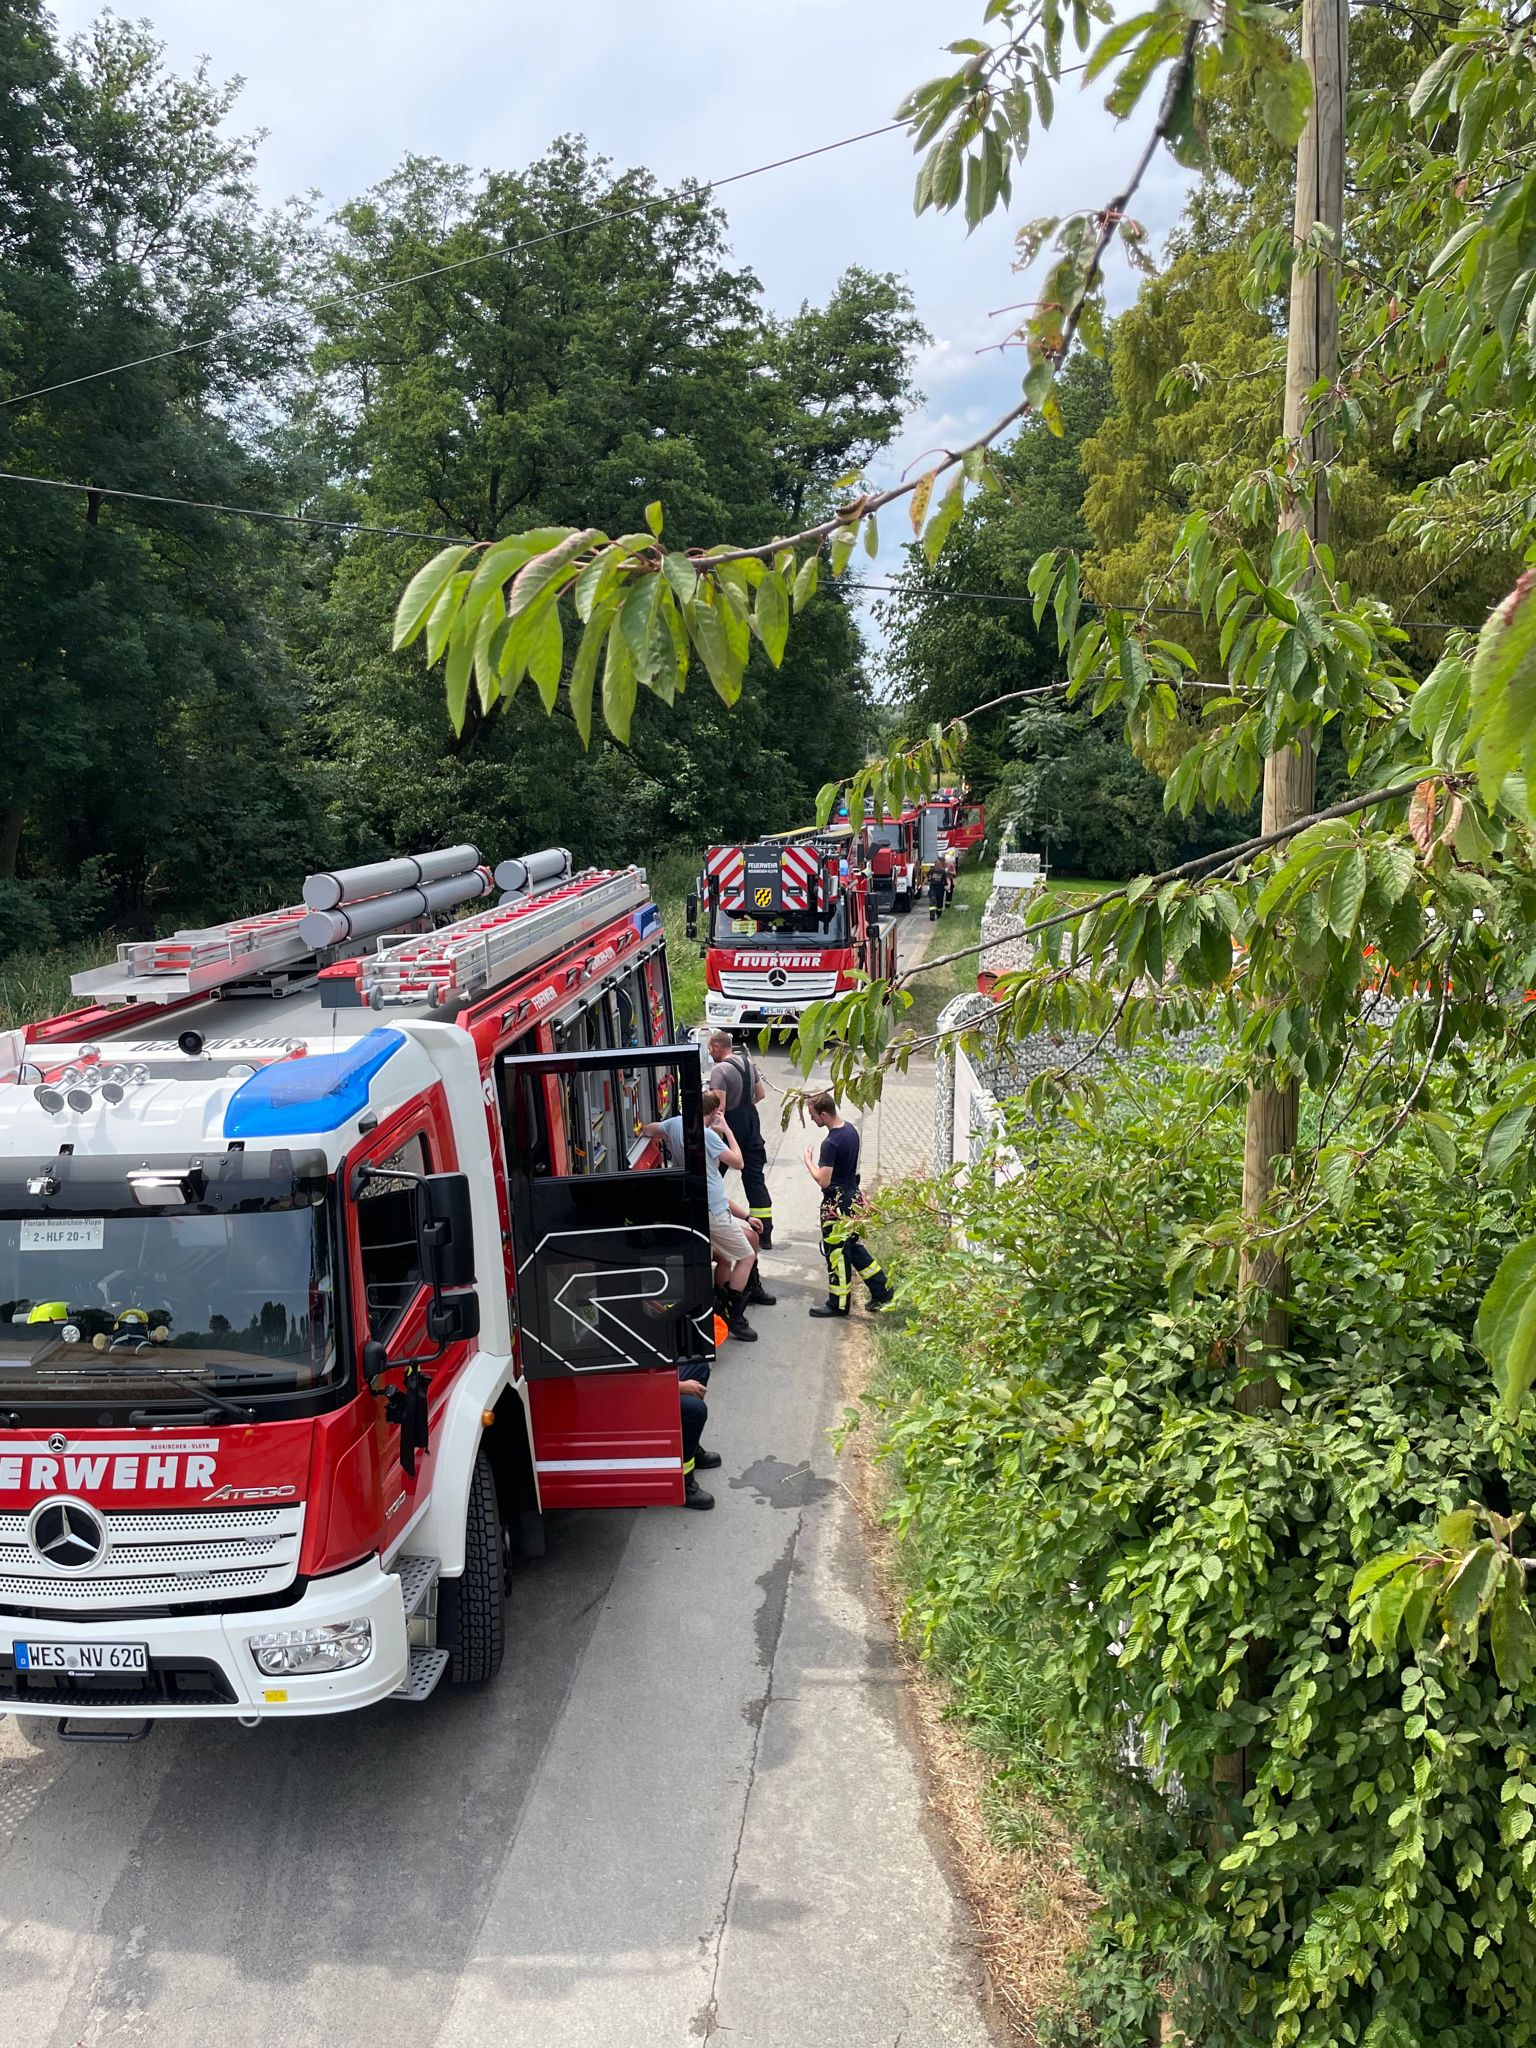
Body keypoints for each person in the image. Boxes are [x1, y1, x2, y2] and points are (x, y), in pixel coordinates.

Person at [641, 1091, 761, 1342]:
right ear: (715, 1112)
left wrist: (640, 1128)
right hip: (714, 1210)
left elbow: (649, 1130)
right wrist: (727, 1130)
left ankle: (717, 1304)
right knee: (747, 1256)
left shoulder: (675, 1123)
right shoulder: (708, 1135)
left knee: (724, 1257)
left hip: (693, 1205)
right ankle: (735, 1315)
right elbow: (738, 1162)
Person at [802, 1090, 893, 1319]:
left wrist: (808, 1162)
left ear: (824, 1114)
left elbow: (823, 1180)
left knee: (837, 1252)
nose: (812, 1119)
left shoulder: (830, 1143)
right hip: (852, 1197)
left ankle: (838, 1304)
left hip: (836, 1204)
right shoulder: (850, 1130)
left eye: (813, 1115)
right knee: (852, 1246)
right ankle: (882, 1290)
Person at [706, 1026, 776, 1256]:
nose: (709, 1053)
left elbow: (719, 1109)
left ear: (717, 1046)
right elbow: (761, 1094)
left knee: (711, 1178)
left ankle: (709, 1228)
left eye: (710, 1048)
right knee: (755, 1179)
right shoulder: (747, 1063)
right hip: (752, 1125)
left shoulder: (720, 1071)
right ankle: (765, 1235)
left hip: (730, 1128)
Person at [678, 1360, 720, 1509]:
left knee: (699, 1366)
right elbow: (634, 1382)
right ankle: (684, 1484)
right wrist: (680, 1386)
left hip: (652, 1383)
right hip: (637, 1397)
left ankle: (691, 1447)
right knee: (696, 1410)